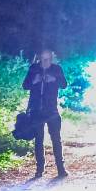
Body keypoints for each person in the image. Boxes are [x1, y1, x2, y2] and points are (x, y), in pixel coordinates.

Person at [23, 49, 68, 178]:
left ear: (51, 59)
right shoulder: (34, 68)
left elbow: (64, 84)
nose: (45, 62)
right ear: (39, 58)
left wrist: (54, 79)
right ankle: (39, 169)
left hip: (52, 110)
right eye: (43, 59)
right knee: (38, 140)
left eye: (48, 59)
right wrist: (34, 81)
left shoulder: (56, 69)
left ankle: (60, 168)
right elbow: (25, 85)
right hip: (36, 110)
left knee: (56, 140)